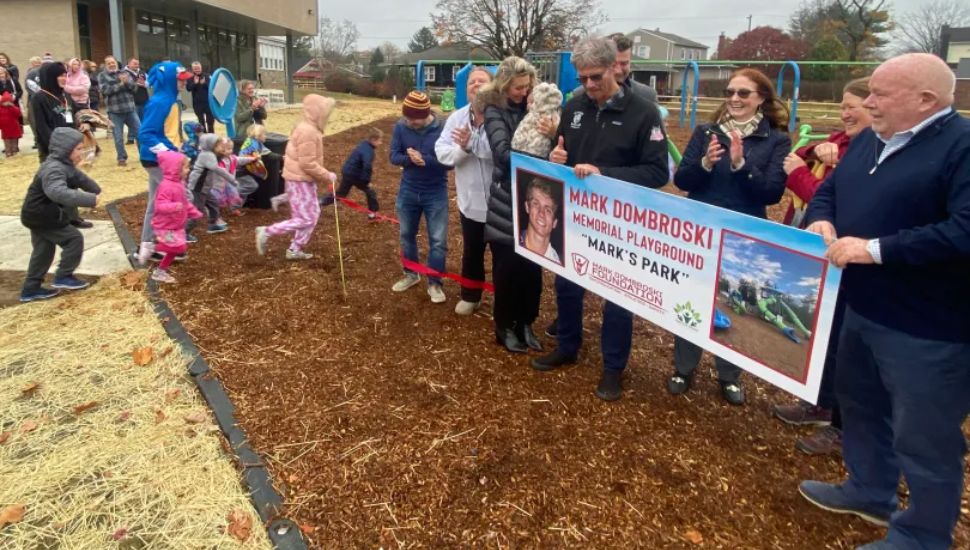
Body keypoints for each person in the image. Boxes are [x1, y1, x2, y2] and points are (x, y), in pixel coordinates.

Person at [798, 53, 970, 550]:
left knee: (925, 436)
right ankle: (870, 491)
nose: (866, 102)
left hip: (930, 327)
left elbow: (965, 230)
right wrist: (821, 219)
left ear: (926, 101)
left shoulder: (960, 148)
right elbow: (830, 190)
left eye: (879, 94)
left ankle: (923, 534)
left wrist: (875, 250)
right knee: (861, 405)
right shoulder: (872, 140)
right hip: (862, 309)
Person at [530, 38, 669, 401]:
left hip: (621, 222)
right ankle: (568, 345)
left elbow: (656, 172)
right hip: (576, 216)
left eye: (596, 77)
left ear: (615, 68)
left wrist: (603, 173)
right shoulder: (575, 105)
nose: (589, 85)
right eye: (583, 78)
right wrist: (557, 157)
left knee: (618, 295)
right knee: (567, 283)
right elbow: (565, 154)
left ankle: (613, 368)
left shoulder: (644, 112)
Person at [666, 68, 790, 406]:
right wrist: (706, 162)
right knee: (693, 296)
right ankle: (684, 367)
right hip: (701, 231)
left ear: (761, 98)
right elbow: (685, 181)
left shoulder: (776, 140)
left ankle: (729, 375)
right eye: (731, 91)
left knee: (736, 305)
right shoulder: (707, 131)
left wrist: (741, 165)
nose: (734, 99)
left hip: (743, 237)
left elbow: (771, 193)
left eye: (743, 93)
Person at [772, 77, 872, 456]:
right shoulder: (847, 142)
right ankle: (821, 402)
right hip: (829, 254)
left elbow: (831, 199)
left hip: (854, 257)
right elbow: (819, 148)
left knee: (850, 345)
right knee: (826, 335)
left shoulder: (877, 149)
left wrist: (798, 170)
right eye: (843, 105)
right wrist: (819, 148)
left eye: (854, 106)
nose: (845, 113)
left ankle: (845, 426)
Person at [478, 56, 543, 352]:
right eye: (517, 88)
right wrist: (537, 157)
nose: (523, 92)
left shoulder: (536, 108)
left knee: (533, 268)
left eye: (527, 87)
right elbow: (502, 152)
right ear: (504, 86)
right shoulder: (494, 110)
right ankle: (504, 326)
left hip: (536, 197)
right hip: (507, 199)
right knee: (507, 268)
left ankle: (526, 322)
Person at [434, 66, 494, 316]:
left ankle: (507, 301)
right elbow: (441, 152)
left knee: (504, 256)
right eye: (471, 82)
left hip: (502, 202)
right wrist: (463, 150)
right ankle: (471, 295)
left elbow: (500, 152)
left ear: (493, 87)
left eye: (482, 80)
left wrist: (472, 143)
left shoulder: (501, 117)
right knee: (472, 251)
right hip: (470, 201)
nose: (476, 85)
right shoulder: (457, 118)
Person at [19, 127, 101, 302]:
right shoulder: (54, 169)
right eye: (78, 149)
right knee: (73, 239)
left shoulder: (64, 164)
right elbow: (57, 192)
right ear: (65, 150)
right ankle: (63, 276)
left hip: (36, 215)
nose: (81, 153)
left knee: (43, 251)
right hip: (42, 216)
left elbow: (78, 178)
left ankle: (30, 289)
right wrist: (90, 199)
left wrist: (95, 189)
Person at [387, 91, 451, 303]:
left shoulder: (442, 129)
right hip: (408, 189)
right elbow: (393, 156)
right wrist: (409, 159)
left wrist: (427, 161)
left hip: (436, 191)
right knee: (406, 234)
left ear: (425, 115)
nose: (410, 122)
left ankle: (434, 283)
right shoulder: (401, 127)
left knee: (438, 240)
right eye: (407, 117)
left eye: (413, 118)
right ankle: (411, 274)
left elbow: (450, 162)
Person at [255, 94, 336, 261]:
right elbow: (308, 164)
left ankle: (294, 249)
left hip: (301, 179)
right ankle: (266, 231)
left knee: (312, 216)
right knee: (306, 218)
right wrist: (327, 176)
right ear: (316, 112)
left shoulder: (308, 128)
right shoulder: (308, 132)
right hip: (300, 180)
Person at [136, 61, 193, 263]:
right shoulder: (161, 101)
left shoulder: (170, 100)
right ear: (169, 80)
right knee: (181, 197)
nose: (184, 83)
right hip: (158, 161)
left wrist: (182, 145)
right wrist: (169, 152)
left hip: (163, 159)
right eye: (180, 80)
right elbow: (146, 133)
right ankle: (166, 243)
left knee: (155, 203)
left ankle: (148, 245)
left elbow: (168, 130)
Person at [146, 150, 203, 283]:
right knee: (180, 248)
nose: (188, 170)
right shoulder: (166, 186)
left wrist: (193, 212)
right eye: (185, 167)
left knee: (174, 250)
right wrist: (174, 206)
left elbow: (184, 203)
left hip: (175, 225)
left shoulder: (179, 185)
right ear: (174, 169)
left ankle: (160, 272)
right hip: (165, 226)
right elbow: (160, 205)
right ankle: (153, 248)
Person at [571, 33, 657, 104]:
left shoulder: (646, 96)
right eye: (614, 64)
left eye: (624, 63)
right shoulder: (580, 95)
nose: (618, 71)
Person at [320, 127, 383, 218]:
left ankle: (321, 201)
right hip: (354, 175)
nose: (381, 143)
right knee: (370, 192)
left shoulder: (363, 144)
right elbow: (367, 167)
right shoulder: (369, 152)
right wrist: (366, 181)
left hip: (347, 172)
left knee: (341, 194)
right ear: (373, 140)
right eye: (379, 141)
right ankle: (372, 214)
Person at [98, 55, 140, 166]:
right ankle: (121, 158)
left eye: (113, 62)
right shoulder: (102, 76)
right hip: (115, 111)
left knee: (140, 133)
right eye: (109, 63)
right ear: (106, 65)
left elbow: (135, 88)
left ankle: (144, 155)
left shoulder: (125, 73)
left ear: (116, 63)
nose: (112, 64)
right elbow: (105, 91)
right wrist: (121, 84)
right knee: (118, 137)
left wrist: (127, 83)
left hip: (130, 109)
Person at [520, 178, 561, 263]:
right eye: (536, 204)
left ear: (554, 222)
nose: (541, 213)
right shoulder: (512, 245)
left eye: (548, 210)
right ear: (527, 207)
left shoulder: (560, 265)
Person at [186, 62, 214, 133]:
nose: (197, 70)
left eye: (198, 68)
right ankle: (204, 137)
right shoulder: (190, 78)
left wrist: (204, 84)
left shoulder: (207, 76)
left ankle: (212, 137)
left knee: (210, 121)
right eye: (195, 68)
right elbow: (188, 89)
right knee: (201, 122)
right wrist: (195, 83)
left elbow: (212, 88)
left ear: (201, 68)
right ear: (192, 69)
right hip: (197, 104)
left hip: (208, 103)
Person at [125, 58, 149, 129]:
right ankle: (131, 139)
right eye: (135, 64)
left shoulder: (142, 72)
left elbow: (150, 82)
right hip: (131, 101)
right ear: (129, 64)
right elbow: (125, 85)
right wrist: (135, 83)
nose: (137, 65)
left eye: (138, 64)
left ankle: (142, 136)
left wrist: (144, 83)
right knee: (133, 122)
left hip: (144, 100)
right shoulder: (124, 72)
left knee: (143, 120)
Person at [0, 91, 23, 157]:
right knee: (7, 144)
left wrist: (13, 106)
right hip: (5, 130)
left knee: (14, 143)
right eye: (5, 102)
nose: (7, 103)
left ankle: (15, 153)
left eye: (8, 101)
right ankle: (8, 153)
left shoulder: (13, 108)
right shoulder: (0, 109)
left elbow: (18, 114)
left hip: (14, 128)